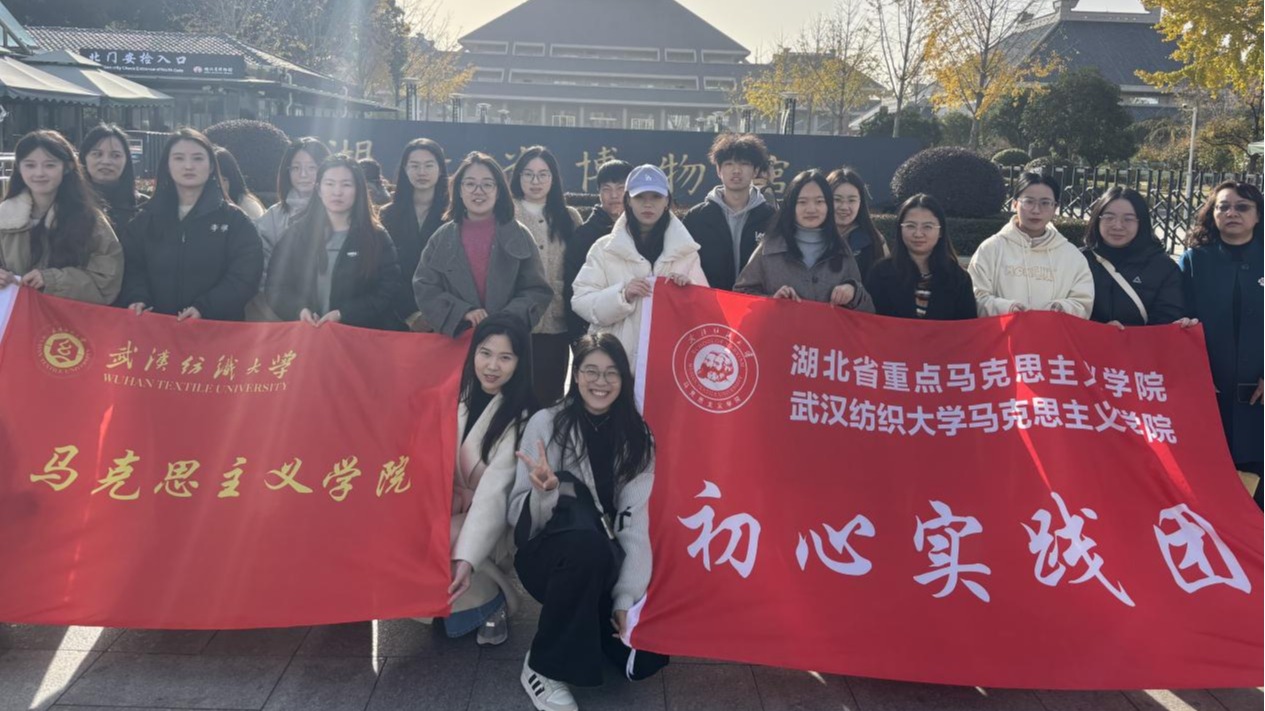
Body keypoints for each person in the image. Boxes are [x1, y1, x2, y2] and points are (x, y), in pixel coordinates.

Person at [508, 333, 669, 711]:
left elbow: (634, 521)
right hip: (547, 557)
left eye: (611, 373)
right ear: (575, 374)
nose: (601, 382)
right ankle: (542, 666)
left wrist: (625, 598)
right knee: (586, 546)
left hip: (605, 560)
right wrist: (544, 492)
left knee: (645, 662)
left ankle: (586, 622)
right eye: (591, 371)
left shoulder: (637, 435)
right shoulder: (546, 424)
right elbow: (518, 519)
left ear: (623, 379)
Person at [446, 313, 537, 646]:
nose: (492, 366)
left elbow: (493, 496)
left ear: (519, 362)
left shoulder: (522, 418)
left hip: (491, 520)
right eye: (485, 353)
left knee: (442, 539)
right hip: (447, 505)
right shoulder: (455, 393)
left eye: (505, 357)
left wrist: (467, 558)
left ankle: (492, 598)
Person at [117, 128, 263, 321]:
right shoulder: (145, 220)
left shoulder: (235, 221)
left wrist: (205, 307)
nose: (188, 166)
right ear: (167, 165)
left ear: (211, 166)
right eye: (179, 158)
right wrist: (137, 297)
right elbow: (131, 266)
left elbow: (245, 275)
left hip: (214, 328)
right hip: (155, 328)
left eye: (197, 158)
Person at [571, 164, 707, 366]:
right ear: (628, 200)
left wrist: (688, 291)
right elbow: (581, 300)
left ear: (667, 201)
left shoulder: (686, 251)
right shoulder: (604, 248)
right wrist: (622, 296)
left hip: (669, 363)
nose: (648, 204)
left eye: (656, 197)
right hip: (615, 364)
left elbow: (704, 311)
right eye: (640, 197)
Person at [1180, 181, 1263, 507]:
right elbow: (1177, 320)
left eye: (1242, 207)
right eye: (1223, 207)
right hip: (1209, 392)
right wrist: (1194, 372)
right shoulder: (1195, 261)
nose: (1232, 213)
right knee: (1209, 482)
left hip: (1259, 396)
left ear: (1258, 215)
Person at [413, 151, 552, 337]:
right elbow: (425, 287)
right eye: (470, 184)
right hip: (456, 340)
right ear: (459, 190)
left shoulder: (519, 235)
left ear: (498, 191)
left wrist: (506, 318)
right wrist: (462, 312)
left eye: (487, 184)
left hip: (507, 339)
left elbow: (536, 290)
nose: (478, 191)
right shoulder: (441, 238)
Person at [266, 155, 403, 330]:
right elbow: (276, 286)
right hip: (307, 334)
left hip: (356, 335)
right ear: (319, 190)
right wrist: (299, 311)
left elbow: (388, 289)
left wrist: (344, 314)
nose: (337, 192)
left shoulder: (376, 237)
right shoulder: (297, 234)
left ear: (359, 190)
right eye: (330, 184)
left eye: (346, 185)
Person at [0, 129, 122, 304]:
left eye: (50, 165)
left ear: (67, 167)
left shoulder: (89, 220)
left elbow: (106, 283)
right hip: (14, 316)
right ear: (19, 168)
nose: (39, 173)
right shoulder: (4, 218)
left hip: (66, 320)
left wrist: (53, 281)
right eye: (30, 165)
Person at [733, 169, 874, 312]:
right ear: (790, 206)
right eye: (802, 202)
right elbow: (740, 294)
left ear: (828, 206)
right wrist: (772, 300)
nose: (811, 209)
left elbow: (868, 312)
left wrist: (853, 293)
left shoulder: (841, 249)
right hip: (780, 327)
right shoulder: (770, 248)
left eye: (819, 201)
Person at [511, 146, 583, 404]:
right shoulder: (506, 214)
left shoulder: (569, 217)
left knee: (549, 397)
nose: (536, 181)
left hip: (556, 321)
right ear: (518, 177)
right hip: (515, 319)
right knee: (512, 396)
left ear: (553, 178)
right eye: (528, 174)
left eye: (543, 174)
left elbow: (579, 266)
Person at [968, 172, 1093, 317]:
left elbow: (1083, 302)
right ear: (1015, 204)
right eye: (1029, 202)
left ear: (1055, 207)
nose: (1036, 210)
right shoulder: (991, 249)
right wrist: (1008, 309)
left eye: (1045, 203)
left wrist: (1061, 308)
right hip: (1004, 331)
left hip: (1053, 331)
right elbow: (976, 297)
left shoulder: (1072, 256)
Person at [1082, 186, 1188, 327]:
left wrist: (1125, 332)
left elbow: (1167, 319)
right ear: (1097, 219)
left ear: (1141, 222)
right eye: (1109, 217)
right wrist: (1100, 329)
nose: (1118, 226)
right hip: (1086, 341)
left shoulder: (1163, 268)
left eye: (1128, 219)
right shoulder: (1079, 260)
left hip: (1141, 341)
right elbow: (1070, 311)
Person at [682, 133, 777, 290]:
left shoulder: (771, 217)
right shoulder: (697, 217)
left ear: (755, 171)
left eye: (744, 164)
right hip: (710, 301)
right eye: (729, 164)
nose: (736, 170)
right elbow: (683, 263)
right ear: (719, 170)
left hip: (755, 302)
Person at [864, 193, 975, 320]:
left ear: (940, 231)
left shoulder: (959, 279)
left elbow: (967, 328)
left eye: (927, 227)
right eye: (910, 226)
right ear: (900, 230)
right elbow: (867, 323)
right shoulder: (880, 273)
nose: (918, 234)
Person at [380, 138, 450, 331]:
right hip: (394, 315)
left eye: (429, 165)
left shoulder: (455, 214)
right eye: (415, 165)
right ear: (405, 169)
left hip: (442, 317)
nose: (422, 172)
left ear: (440, 169)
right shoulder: (387, 215)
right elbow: (383, 270)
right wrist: (411, 315)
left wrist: (432, 313)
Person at [565, 160, 631, 345]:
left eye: (621, 188)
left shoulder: (644, 231)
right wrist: (580, 341)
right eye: (606, 189)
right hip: (596, 335)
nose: (614, 195)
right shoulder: (584, 236)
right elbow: (573, 290)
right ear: (599, 193)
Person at [256, 137, 332, 270]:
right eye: (296, 168)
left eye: (312, 167)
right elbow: (260, 262)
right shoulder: (274, 216)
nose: (303, 174)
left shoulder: (336, 209)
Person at [78, 123, 147, 233]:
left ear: (127, 160)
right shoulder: (70, 203)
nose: (106, 161)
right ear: (84, 157)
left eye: (115, 155)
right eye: (97, 154)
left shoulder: (144, 207)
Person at [827, 167, 888, 279]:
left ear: (861, 202)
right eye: (837, 199)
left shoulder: (874, 239)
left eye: (852, 200)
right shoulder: (811, 237)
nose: (844, 207)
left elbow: (885, 281)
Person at [214, 147, 266, 220]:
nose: (218, 185)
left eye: (223, 180)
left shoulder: (248, 206)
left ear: (233, 179)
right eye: (213, 179)